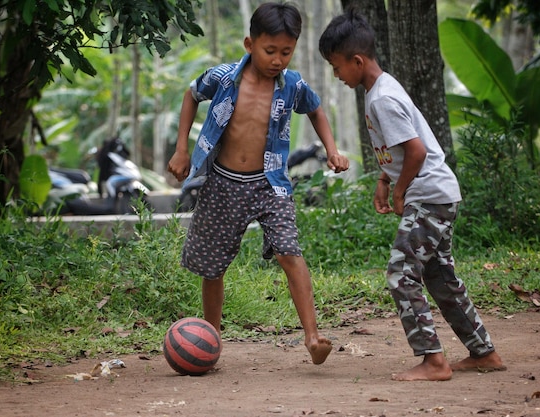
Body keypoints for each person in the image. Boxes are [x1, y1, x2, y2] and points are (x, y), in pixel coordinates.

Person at [318, 10, 505, 381]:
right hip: (438, 192)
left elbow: (417, 151)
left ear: (357, 61)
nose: (337, 75)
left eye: (337, 67)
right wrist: (386, 181)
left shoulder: (382, 98)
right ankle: (484, 353)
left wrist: (400, 188)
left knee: (401, 273)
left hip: (429, 195)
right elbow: (401, 149)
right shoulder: (380, 90)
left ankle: (434, 361)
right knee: (439, 276)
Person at [167, 1, 349, 365]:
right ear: (250, 45)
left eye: (287, 52)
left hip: (270, 183)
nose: (278, 59)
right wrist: (181, 149)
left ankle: (313, 337)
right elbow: (191, 94)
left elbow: (315, 109)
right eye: (270, 51)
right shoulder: (221, 77)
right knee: (212, 266)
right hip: (222, 182)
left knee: (289, 251)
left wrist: (332, 149)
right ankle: (211, 340)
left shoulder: (292, 84)